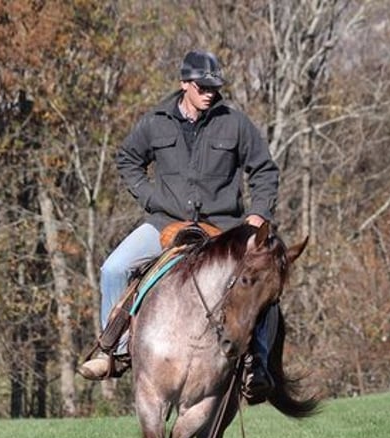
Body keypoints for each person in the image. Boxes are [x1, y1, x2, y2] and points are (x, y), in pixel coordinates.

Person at [78, 50, 280, 387]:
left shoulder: (234, 121)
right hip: (164, 224)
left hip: (224, 227)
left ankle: (258, 363)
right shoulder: (156, 121)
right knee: (113, 269)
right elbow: (128, 159)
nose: (209, 92)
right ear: (184, 83)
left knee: (262, 276)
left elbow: (264, 170)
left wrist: (258, 214)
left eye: (213, 86)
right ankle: (115, 353)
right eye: (201, 86)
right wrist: (150, 198)